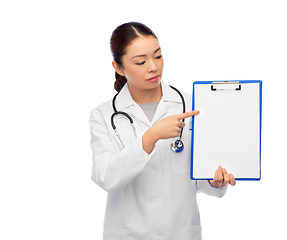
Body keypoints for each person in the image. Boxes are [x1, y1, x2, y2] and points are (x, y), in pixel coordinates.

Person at [89, 22, 236, 240]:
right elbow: (107, 178)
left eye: (157, 56)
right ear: (118, 67)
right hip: (129, 234)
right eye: (141, 61)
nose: (153, 67)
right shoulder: (102, 115)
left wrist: (214, 180)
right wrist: (152, 135)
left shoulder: (191, 105)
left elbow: (199, 176)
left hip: (181, 232)